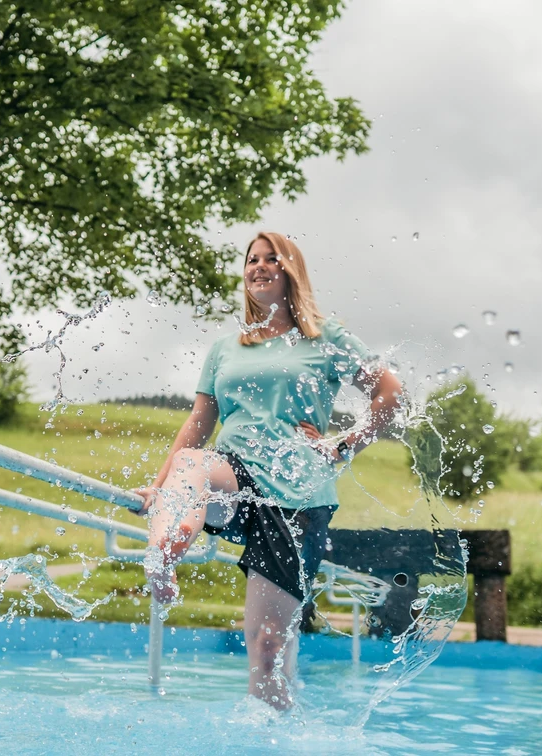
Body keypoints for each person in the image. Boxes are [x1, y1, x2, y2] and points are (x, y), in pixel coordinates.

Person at [134, 232, 403, 710]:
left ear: (291, 271)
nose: (258, 266)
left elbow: (390, 392)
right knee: (192, 463)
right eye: (251, 260)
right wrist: (156, 487)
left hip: (299, 494)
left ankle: (274, 733)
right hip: (235, 475)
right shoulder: (226, 348)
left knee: (268, 647)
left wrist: (344, 444)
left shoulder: (326, 337)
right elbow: (199, 423)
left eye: (270, 259)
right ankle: (163, 554)